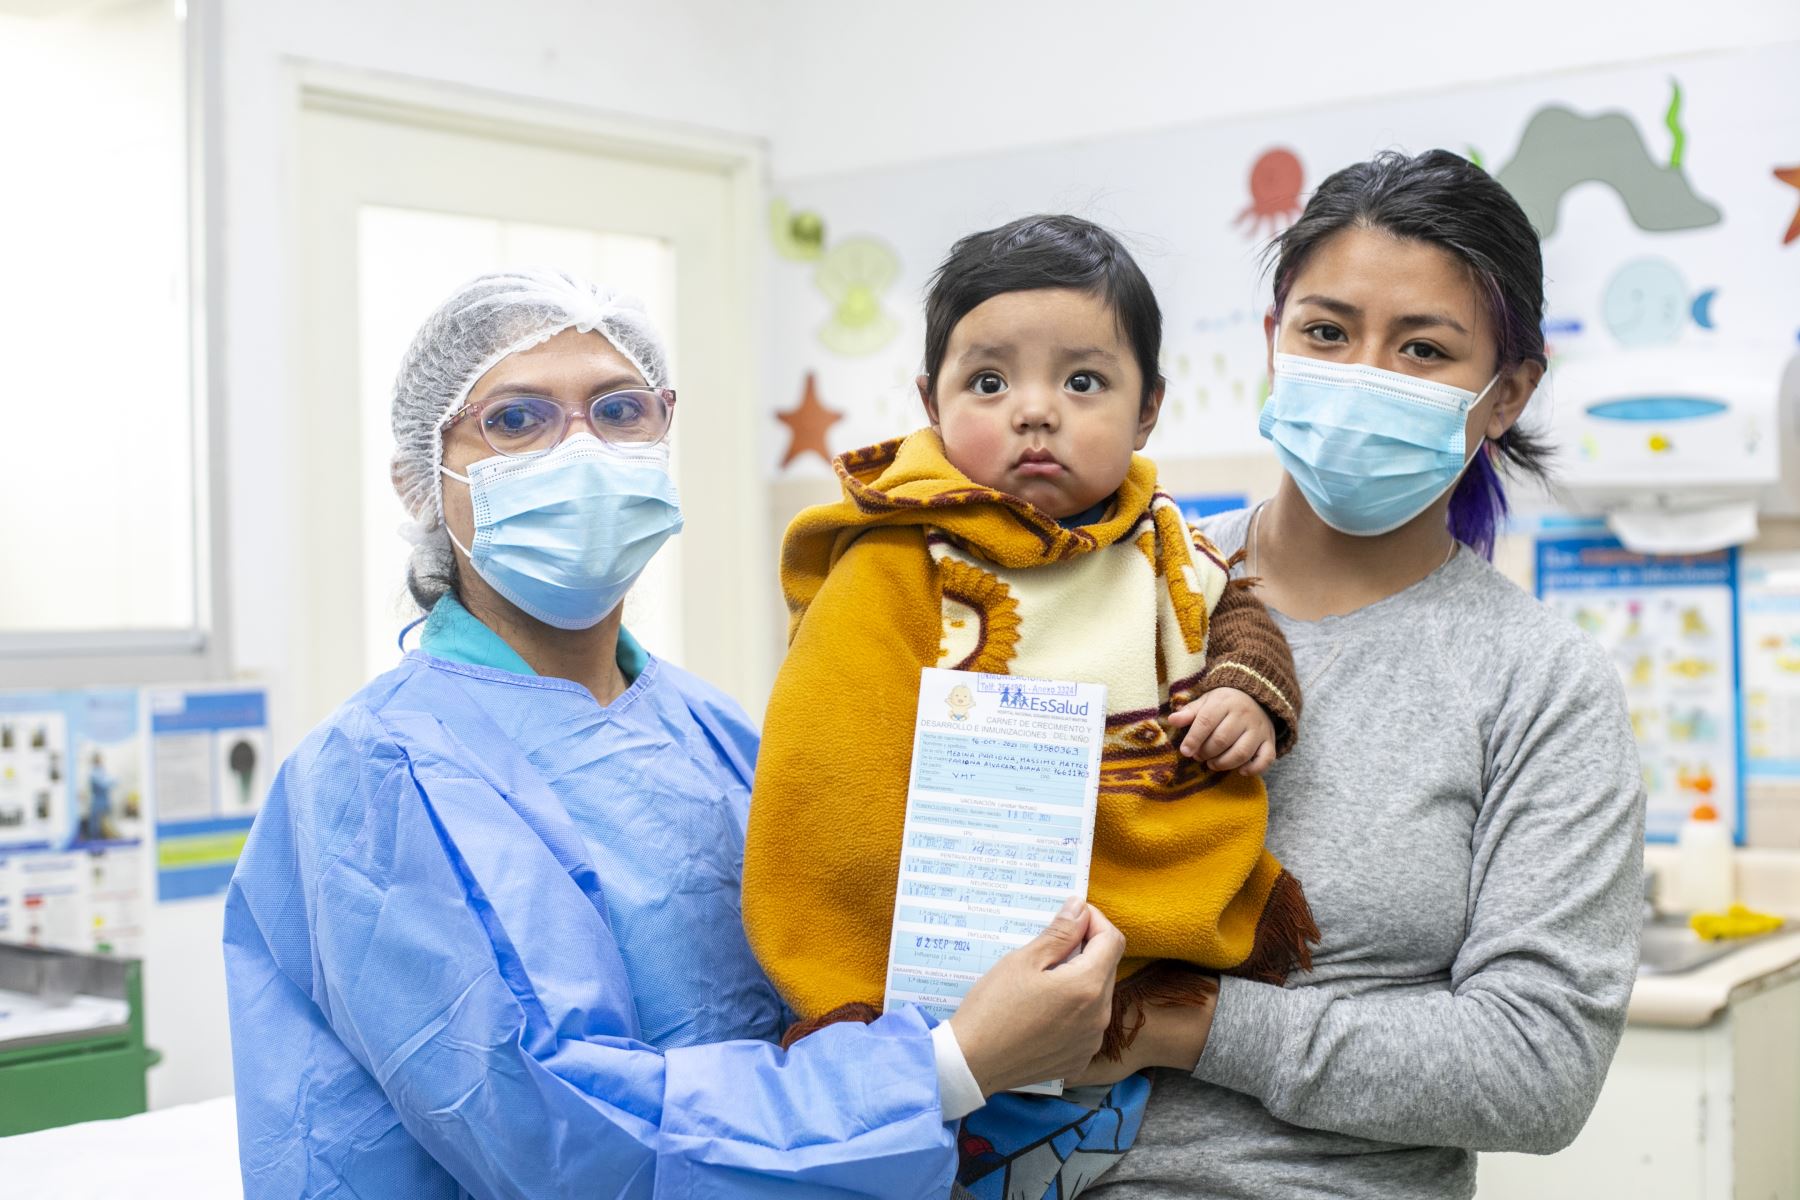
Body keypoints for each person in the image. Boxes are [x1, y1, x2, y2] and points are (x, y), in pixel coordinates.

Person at [222, 269, 1129, 1200]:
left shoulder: (711, 727)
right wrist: (947, 1066)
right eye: (517, 420)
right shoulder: (380, 772)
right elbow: (558, 1132)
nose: (581, 448)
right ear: (423, 476)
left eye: (618, 410)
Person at [1078, 150, 1645, 1198]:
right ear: (1273, 341)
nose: (1363, 375)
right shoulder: (1125, 588)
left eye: (1423, 349)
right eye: (1327, 332)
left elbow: (1537, 1070)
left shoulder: (1538, 682)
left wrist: (1189, 1025)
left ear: (1506, 393)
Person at [742, 216, 1314, 1199]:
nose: (1035, 413)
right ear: (930, 402)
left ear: (1149, 412)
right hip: (933, 994)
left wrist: (1245, 693)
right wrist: (857, 986)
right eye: (990, 382)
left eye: (1083, 382)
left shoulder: (1164, 543)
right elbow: (829, 774)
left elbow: (1239, 614)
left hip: (1120, 1007)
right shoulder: (899, 559)